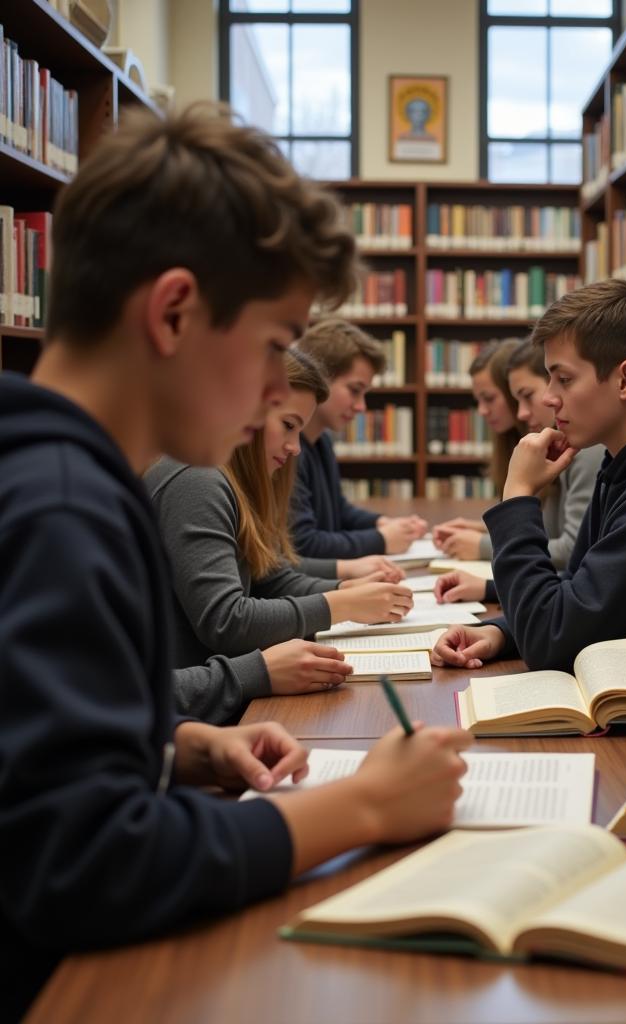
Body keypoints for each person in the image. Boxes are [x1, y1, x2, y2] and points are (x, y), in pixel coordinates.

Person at [0, 104, 470, 1021]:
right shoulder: (64, 509)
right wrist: (363, 809)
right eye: (269, 346)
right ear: (174, 311)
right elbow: (86, 868)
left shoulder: (50, 469)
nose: (271, 396)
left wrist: (167, 748)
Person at [430, 279, 626, 674]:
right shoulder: (623, 469)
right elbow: (578, 595)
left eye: (563, 379)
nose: (548, 397)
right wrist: (501, 633)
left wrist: (517, 497)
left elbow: (551, 641)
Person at [147, 347, 415, 723]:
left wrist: (343, 591)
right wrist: (343, 605)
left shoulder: (234, 477)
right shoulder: (197, 478)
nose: (293, 448)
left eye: (299, 432)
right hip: (192, 716)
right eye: (287, 426)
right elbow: (226, 620)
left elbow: (270, 578)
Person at [434, 337, 603, 604]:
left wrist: (482, 546)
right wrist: (489, 531)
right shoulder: (561, 447)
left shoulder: (585, 450)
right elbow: (547, 530)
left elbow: (571, 549)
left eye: (490, 398)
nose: (522, 414)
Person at [291, 317, 427, 558]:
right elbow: (303, 543)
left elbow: (338, 510)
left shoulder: (321, 440)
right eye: (354, 390)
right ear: (319, 377)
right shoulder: (288, 450)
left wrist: (382, 523)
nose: (361, 406)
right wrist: (382, 540)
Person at [432, 337, 524, 560]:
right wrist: (483, 530)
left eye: (489, 399)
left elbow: (565, 545)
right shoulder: (511, 445)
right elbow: (533, 528)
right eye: (478, 401)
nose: (482, 411)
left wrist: (483, 545)